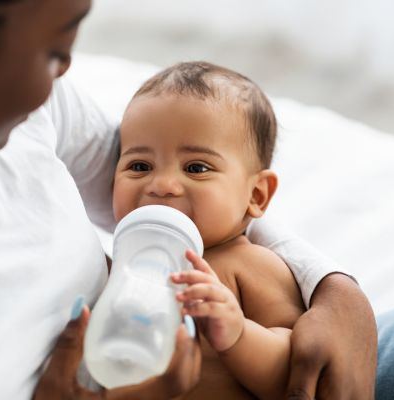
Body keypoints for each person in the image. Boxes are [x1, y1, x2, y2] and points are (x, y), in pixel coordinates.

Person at [0, 0, 394, 398]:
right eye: (54, 51)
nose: (68, 73)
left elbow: (190, 208)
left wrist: (336, 292)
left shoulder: (29, 119)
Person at [112, 61, 306, 399]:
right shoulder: (122, 267)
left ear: (256, 195)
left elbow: (296, 373)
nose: (163, 185)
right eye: (139, 166)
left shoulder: (251, 266)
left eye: (196, 167)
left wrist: (238, 334)